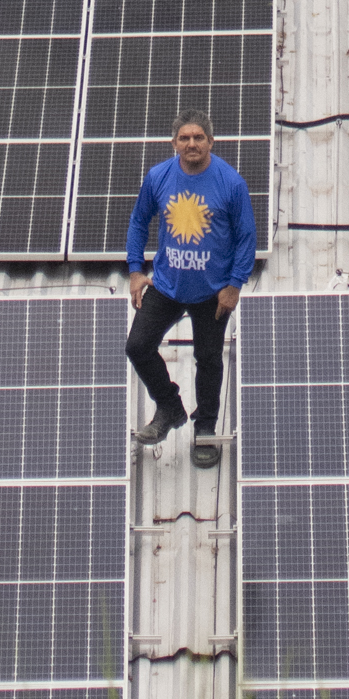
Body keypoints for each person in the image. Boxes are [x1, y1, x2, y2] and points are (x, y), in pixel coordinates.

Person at [123, 107, 257, 465]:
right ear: (174, 143)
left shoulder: (230, 183)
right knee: (137, 346)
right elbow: (138, 222)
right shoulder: (158, 177)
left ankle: (206, 428)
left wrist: (235, 285)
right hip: (167, 284)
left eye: (199, 137)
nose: (192, 143)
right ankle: (169, 407)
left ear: (211, 142)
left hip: (212, 291)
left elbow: (246, 238)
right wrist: (136, 270)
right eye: (185, 138)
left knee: (209, 360)